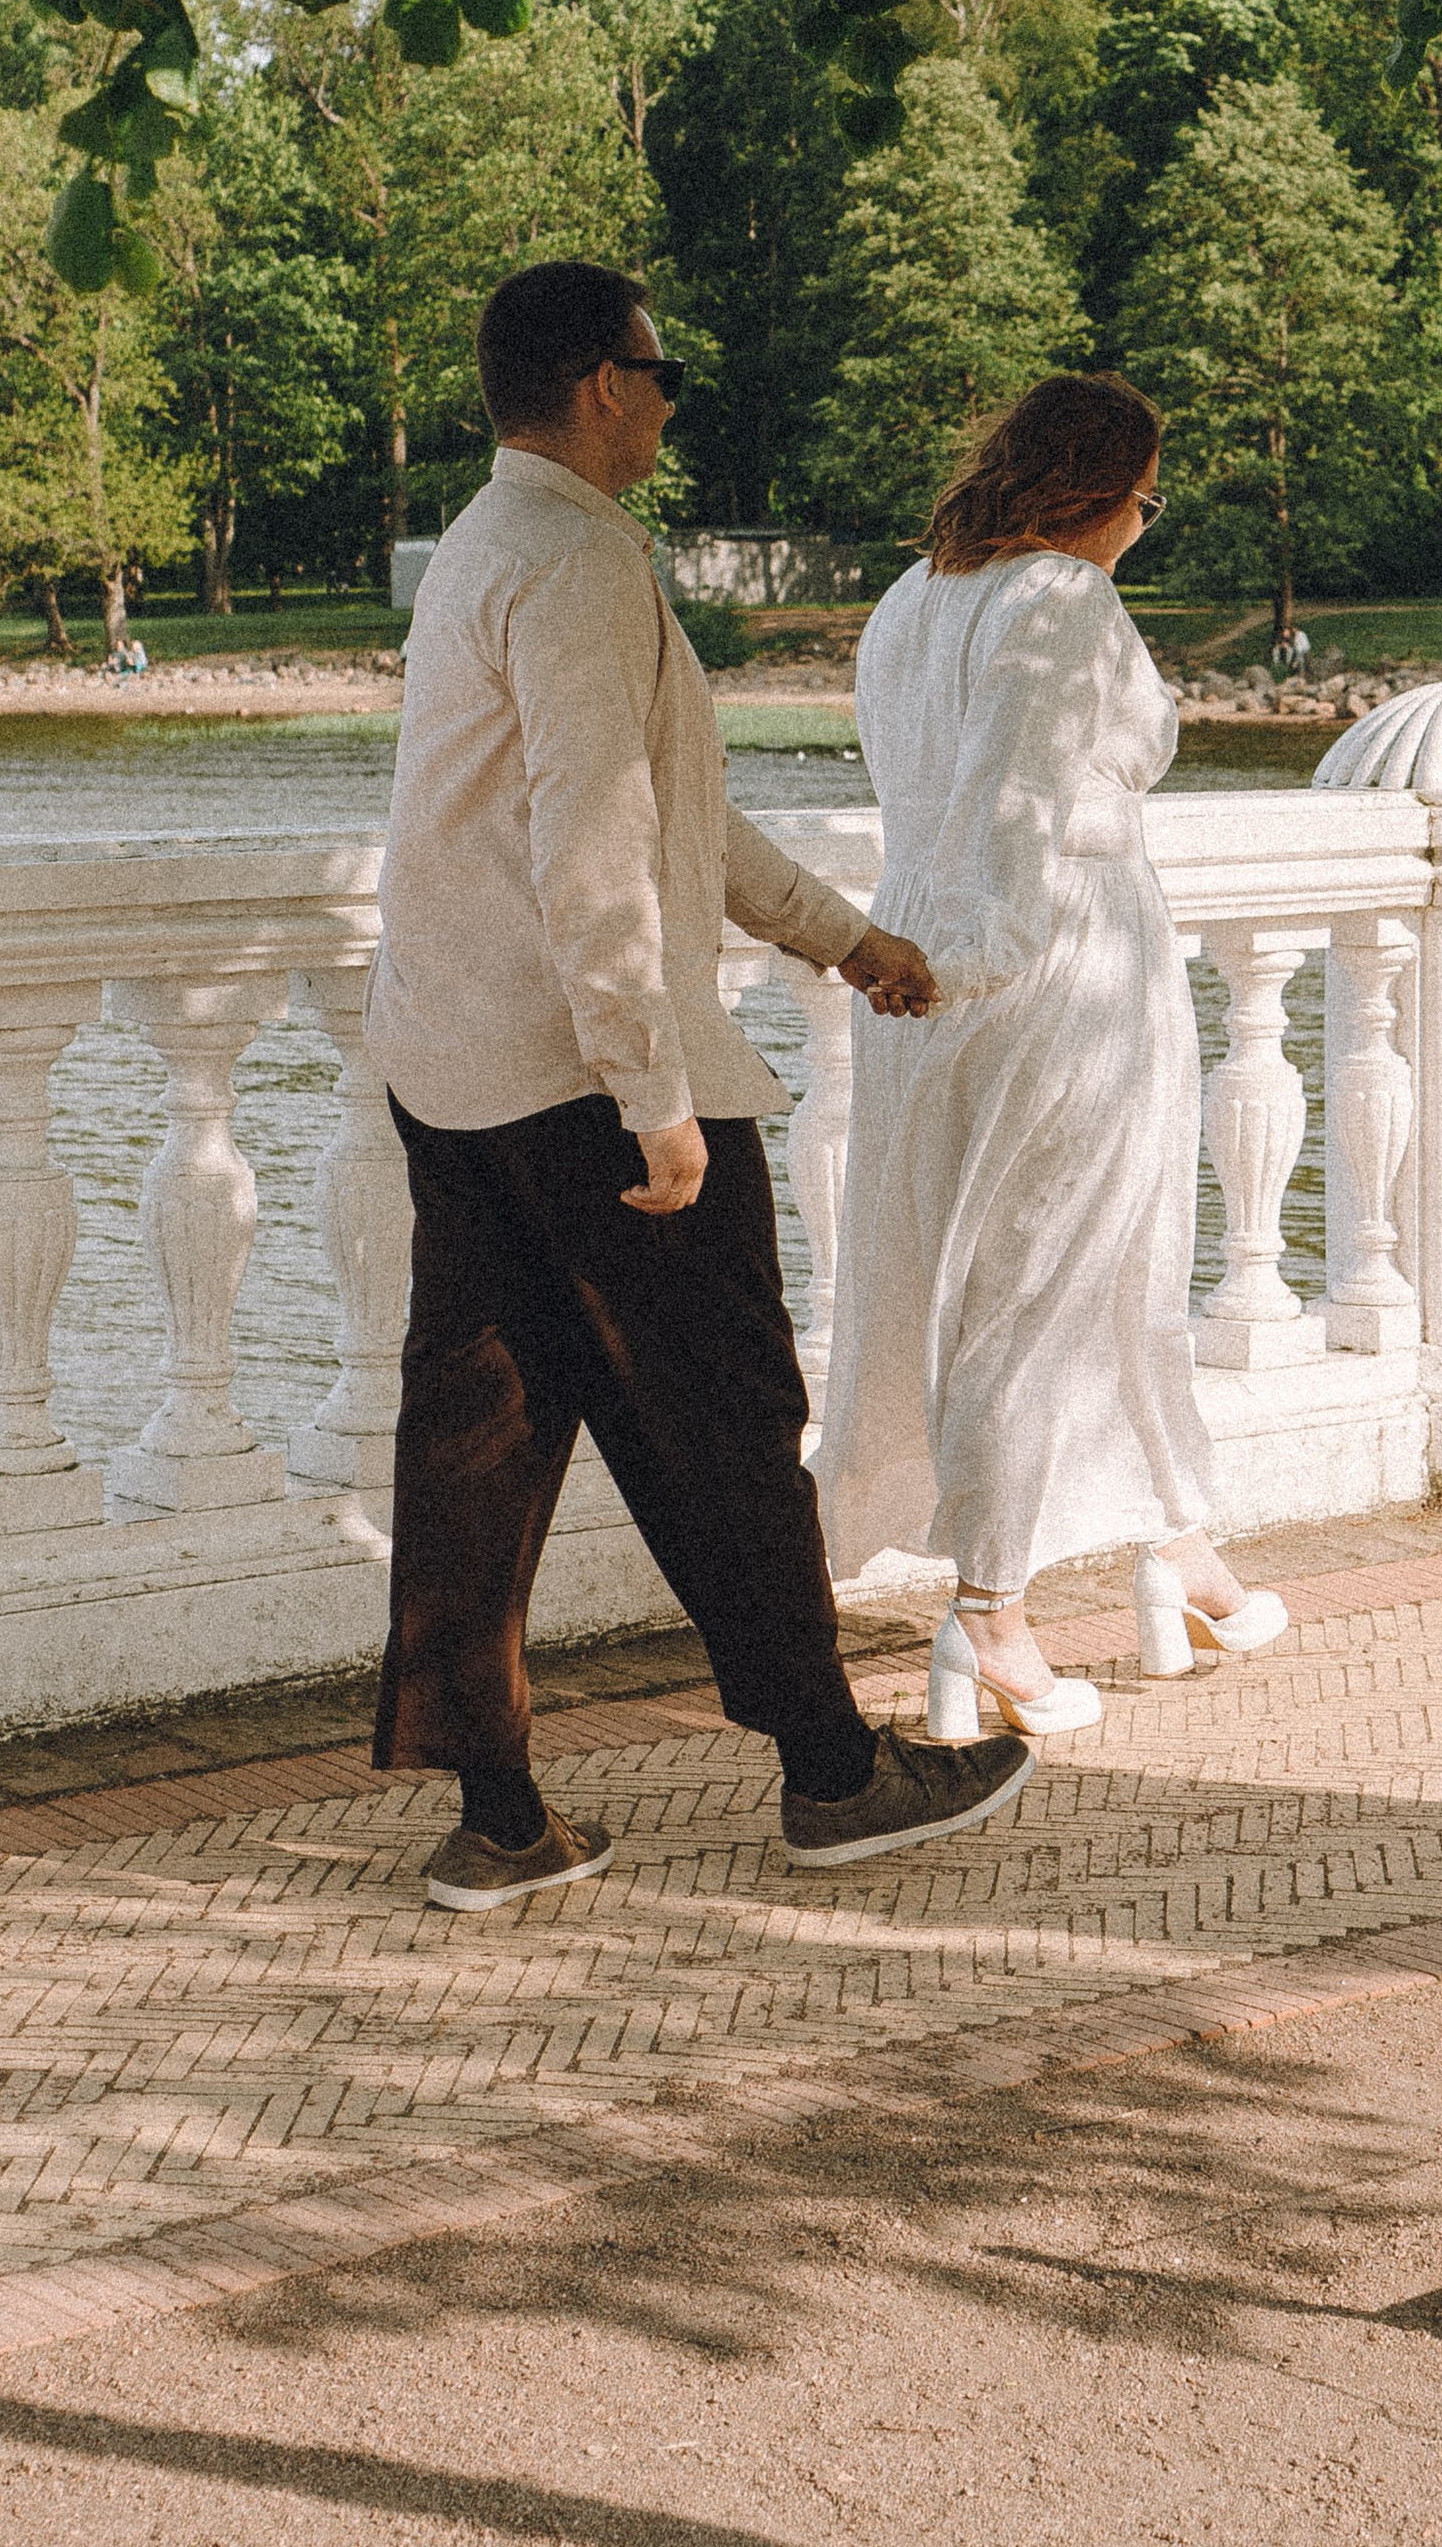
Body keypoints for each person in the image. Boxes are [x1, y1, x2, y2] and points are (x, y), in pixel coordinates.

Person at [365, 257, 1036, 1909]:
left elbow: (666, 813)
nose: (671, 404)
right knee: (730, 1423)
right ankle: (833, 1771)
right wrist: (650, 1089)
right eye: (663, 376)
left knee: (479, 1442)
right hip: (582, 1086)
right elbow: (591, 847)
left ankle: (499, 1815)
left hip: (450, 1070)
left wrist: (844, 938)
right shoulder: (581, 563)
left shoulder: (483, 544)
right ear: (603, 382)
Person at [816, 371, 1289, 1737]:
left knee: (1047, 1268)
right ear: (1099, 491)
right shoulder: (1061, 604)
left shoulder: (913, 600)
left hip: (925, 949)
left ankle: (1175, 1545)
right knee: (1041, 1277)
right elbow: (1016, 805)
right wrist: (980, 958)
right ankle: (991, 1625)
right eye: (1146, 499)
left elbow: (941, 800)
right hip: (1051, 971)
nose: (1146, 526)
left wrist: (932, 957)